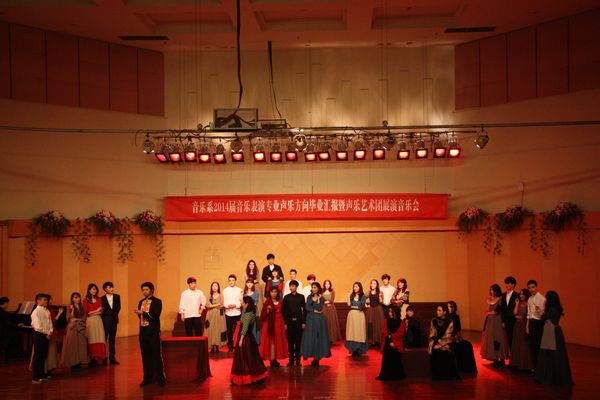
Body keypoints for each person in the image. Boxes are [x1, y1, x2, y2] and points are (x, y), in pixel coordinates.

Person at [534, 290, 573, 385]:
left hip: (551, 332)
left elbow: (544, 317)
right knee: (556, 354)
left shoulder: (552, 309)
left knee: (549, 353)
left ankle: (549, 377)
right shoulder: (556, 308)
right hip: (554, 331)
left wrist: (539, 312)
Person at [230, 296, 268, 385]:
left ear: (246, 304)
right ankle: (256, 375)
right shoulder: (251, 313)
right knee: (251, 357)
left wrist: (241, 339)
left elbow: (245, 328)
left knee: (245, 359)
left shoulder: (247, 315)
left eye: (243, 302)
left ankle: (247, 377)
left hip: (246, 338)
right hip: (250, 337)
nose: (242, 304)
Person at [135, 282, 165, 387]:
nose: (144, 291)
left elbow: (155, 315)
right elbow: (140, 318)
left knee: (156, 355)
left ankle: (160, 379)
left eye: (146, 289)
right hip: (143, 332)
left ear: (152, 290)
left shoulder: (157, 302)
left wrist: (142, 313)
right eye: (143, 290)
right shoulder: (141, 302)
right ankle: (147, 378)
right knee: (145, 356)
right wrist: (141, 314)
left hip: (153, 332)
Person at [300, 282, 331, 366]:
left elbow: (319, 307)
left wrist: (318, 300)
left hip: (319, 319)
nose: (313, 289)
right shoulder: (309, 297)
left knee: (318, 337)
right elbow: (307, 307)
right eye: (312, 287)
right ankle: (308, 354)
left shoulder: (322, 298)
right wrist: (314, 310)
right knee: (310, 337)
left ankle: (316, 358)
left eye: (315, 287)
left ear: (318, 288)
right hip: (310, 319)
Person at [429, 303, 460, 380]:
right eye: (437, 310)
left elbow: (448, 335)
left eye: (439, 310)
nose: (437, 312)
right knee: (436, 351)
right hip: (436, 341)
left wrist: (441, 345)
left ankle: (448, 375)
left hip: (447, 341)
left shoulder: (449, 321)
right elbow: (432, 334)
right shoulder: (434, 321)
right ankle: (438, 375)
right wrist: (439, 343)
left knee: (447, 352)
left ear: (444, 312)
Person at [480, 284, 509, 365]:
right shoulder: (489, 299)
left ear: (497, 290)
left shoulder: (500, 299)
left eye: (493, 290)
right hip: (490, 321)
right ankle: (494, 357)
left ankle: (501, 358)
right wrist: (488, 303)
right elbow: (487, 310)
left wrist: (489, 313)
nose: (491, 291)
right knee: (491, 338)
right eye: (490, 290)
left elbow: (497, 311)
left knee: (498, 338)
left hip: (497, 320)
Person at [259, 287, 288, 366]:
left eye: (275, 292)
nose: (274, 293)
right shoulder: (267, 302)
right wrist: (267, 310)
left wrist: (284, 323)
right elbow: (262, 315)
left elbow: (283, 312)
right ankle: (271, 359)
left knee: (277, 340)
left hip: (279, 323)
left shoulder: (280, 302)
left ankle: (275, 358)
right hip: (270, 323)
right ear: (269, 293)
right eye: (272, 292)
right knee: (271, 340)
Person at [376, 307, 406, 381]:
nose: (390, 313)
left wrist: (391, 337)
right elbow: (384, 332)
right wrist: (390, 341)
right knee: (387, 351)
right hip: (388, 342)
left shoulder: (401, 321)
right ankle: (386, 375)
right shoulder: (386, 321)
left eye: (391, 312)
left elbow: (401, 333)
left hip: (397, 342)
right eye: (389, 311)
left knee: (395, 354)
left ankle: (395, 375)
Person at [447, 301, 477, 374]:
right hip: (448, 337)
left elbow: (458, 328)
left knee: (468, 345)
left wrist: (458, 337)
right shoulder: (445, 317)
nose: (450, 308)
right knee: (455, 346)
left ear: (454, 308)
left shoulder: (456, 316)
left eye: (451, 307)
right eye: (448, 307)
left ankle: (466, 368)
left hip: (455, 336)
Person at [61, 292, 88, 369]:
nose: (77, 299)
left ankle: (79, 361)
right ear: (72, 299)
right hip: (73, 328)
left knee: (81, 345)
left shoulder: (82, 306)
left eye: (78, 297)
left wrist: (79, 320)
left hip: (81, 326)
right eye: (75, 297)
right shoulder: (69, 306)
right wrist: (72, 310)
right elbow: (69, 318)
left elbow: (85, 316)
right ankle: (73, 362)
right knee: (73, 345)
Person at [282, 280, 305, 367]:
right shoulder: (286, 297)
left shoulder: (301, 297)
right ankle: (291, 361)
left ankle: (298, 361)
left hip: (299, 322)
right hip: (289, 322)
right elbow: (284, 311)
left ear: (296, 287)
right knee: (290, 342)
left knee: (299, 341)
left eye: (293, 286)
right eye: (290, 286)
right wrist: (285, 323)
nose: (291, 287)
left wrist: (303, 322)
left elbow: (304, 310)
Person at [509, 289, 534, 371]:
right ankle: (516, 363)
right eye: (520, 294)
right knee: (517, 343)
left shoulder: (528, 303)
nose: (521, 296)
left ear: (526, 295)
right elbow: (514, 313)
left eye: (522, 294)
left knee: (524, 344)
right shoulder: (519, 303)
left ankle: (524, 364)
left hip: (524, 325)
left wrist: (521, 317)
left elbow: (528, 315)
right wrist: (516, 304)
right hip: (517, 325)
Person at [30, 293, 52, 383]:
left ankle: (41, 374)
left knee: (43, 355)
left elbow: (50, 323)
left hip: (46, 335)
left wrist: (50, 332)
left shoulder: (47, 311)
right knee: (37, 355)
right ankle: (35, 376)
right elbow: (37, 326)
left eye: (47, 300)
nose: (46, 301)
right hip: (39, 335)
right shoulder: (36, 312)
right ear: (38, 301)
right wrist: (46, 333)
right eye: (44, 300)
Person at [83, 283, 106, 366]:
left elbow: (101, 311)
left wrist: (94, 312)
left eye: (95, 289)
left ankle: (101, 356)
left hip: (98, 320)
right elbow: (87, 313)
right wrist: (96, 311)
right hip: (90, 321)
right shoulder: (85, 300)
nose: (94, 290)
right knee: (92, 338)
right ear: (89, 290)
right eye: (93, 289)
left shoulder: (99, 299)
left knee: (100, 338)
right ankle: (93, 358)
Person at [526, 279, 545, 370]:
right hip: (532, 323)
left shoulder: (542, 298)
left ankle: (540, 368)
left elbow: (543, 314)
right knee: (532, 346)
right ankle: (535, 368)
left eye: (533, 287)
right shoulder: (529, 299)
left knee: (538, 346)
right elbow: (529, 314)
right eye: (529, 288)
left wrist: (540, 311)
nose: (531, 289)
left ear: (536, 287)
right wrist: (527, 326)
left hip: (539, 323)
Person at [345, 282, 368, 357]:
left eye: (357, 286)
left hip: (359, 315)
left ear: (360, 287)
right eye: (354, 286)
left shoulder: (363, 296)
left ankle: (359, 350)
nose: (355, 288)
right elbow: (349, 305)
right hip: (351, 315)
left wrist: (357, 304)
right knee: (352, 332)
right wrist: (348, 295)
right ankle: (353, 350)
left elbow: (361, 306)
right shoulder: (351, 296)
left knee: (359, 332)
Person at [101, 281, 121, 365]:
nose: (112, 289)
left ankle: (112, 358)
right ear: (105, 289)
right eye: (109, 287)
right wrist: (107, 318)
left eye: (112, 287)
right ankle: (103, 358)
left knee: (112, 340)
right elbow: (102, 311)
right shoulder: (101, 298)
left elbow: (118, 308)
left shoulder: (117, 296)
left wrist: (113, 317)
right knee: (104, 339)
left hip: (114, 321)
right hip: (105, 321)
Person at [223, 274, 243, 352]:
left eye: (233, 280)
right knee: (229, 330)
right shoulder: (225, 290)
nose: (231, 282)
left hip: (237, 312)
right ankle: (230, 346)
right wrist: (228, 305)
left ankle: (237, 345)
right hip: (228, 313)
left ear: (235, 281)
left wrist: (235, 305)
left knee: (237, 330)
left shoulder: (239, 290)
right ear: (228, 281)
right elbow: (223, 302)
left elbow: (241, 302)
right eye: (230, 280)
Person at [206, 282, 227, 353]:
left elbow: (222, 305)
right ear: (211, 287)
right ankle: (212, 346)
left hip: (219, 315)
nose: (214, 287)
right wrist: (216, 304)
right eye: (213, 286)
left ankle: (218, 346)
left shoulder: (221, 295)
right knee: (211, 329)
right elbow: (208, 305)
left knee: (218, 329)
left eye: (216, 286)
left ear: (218, 287)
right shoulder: (209, 295)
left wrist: (212, 305)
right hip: (210, 315)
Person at [500, 276, 518, 351]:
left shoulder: (517, 295)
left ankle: (515, 355)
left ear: (513, 285)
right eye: (506, 283)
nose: (507, 285)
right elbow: (502, 309)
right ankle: (511, 354)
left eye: (508, 283)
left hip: (515, 321)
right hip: (506, 321)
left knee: (515, 339)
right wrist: (503, 321)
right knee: (508, 339)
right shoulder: (503, 295)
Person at [365, 279, 385, 347]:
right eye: (371, 283)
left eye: (374, 283)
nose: (372, 285)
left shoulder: (380, 292)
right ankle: (371, 341)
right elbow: (362, 299)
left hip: (378, 310)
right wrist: (366, 305)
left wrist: (379, 296)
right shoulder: (369, 292)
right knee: (371, 325)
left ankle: (378, 341)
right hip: (371, 311)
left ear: (377, 285)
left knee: (378, 325)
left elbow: (381, 302)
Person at [243, 279, 261, 345]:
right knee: (246, 327)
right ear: (246, 284)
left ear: (253, 284)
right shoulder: (244, 293)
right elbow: (243, 304)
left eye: (251, 283)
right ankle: (247, 343)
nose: (249, 284)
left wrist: (248, 304)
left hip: (254, 312)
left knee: (254, 328)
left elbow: (255, 303)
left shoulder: (256, 293)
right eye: (248, 283)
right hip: (246, 312)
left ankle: (254, 342)